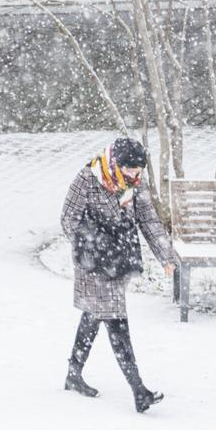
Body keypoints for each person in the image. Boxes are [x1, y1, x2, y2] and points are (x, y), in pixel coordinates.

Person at [60, 135, 176, 412]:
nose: (135, 176)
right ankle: (138, 390)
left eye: (138, 171)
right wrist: (93, 244)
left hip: (119, 257)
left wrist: (166, 256)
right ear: (114, 163)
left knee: (94, 313)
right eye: (130, 170)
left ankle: (74, 373)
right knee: (116, 319)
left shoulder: (135, 183)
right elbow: (68, 219)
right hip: (93, 262)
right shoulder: (88, 178)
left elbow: (148, 220)